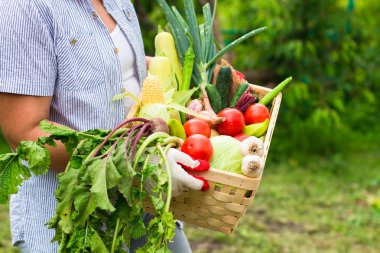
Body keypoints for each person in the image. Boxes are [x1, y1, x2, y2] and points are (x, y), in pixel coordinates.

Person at [0, 0, 202, 252]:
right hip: (74, 216)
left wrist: (195, 80)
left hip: (143, 203)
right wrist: (137, 161)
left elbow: (119, 64)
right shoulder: (25, 8)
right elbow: (25, 133)